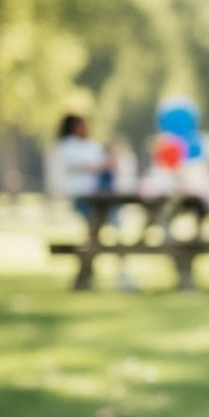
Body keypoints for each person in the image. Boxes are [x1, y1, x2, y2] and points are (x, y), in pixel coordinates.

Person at [54, 113, 137, 290]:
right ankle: (100, 277)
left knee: (97, 235)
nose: (85, 128)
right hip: (85, 197)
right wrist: (103, 164)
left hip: (103, 196)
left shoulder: (90, 146)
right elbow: (88, 166)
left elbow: (105, 163)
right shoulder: (68, 147)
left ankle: (87, 278)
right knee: (95, 234)